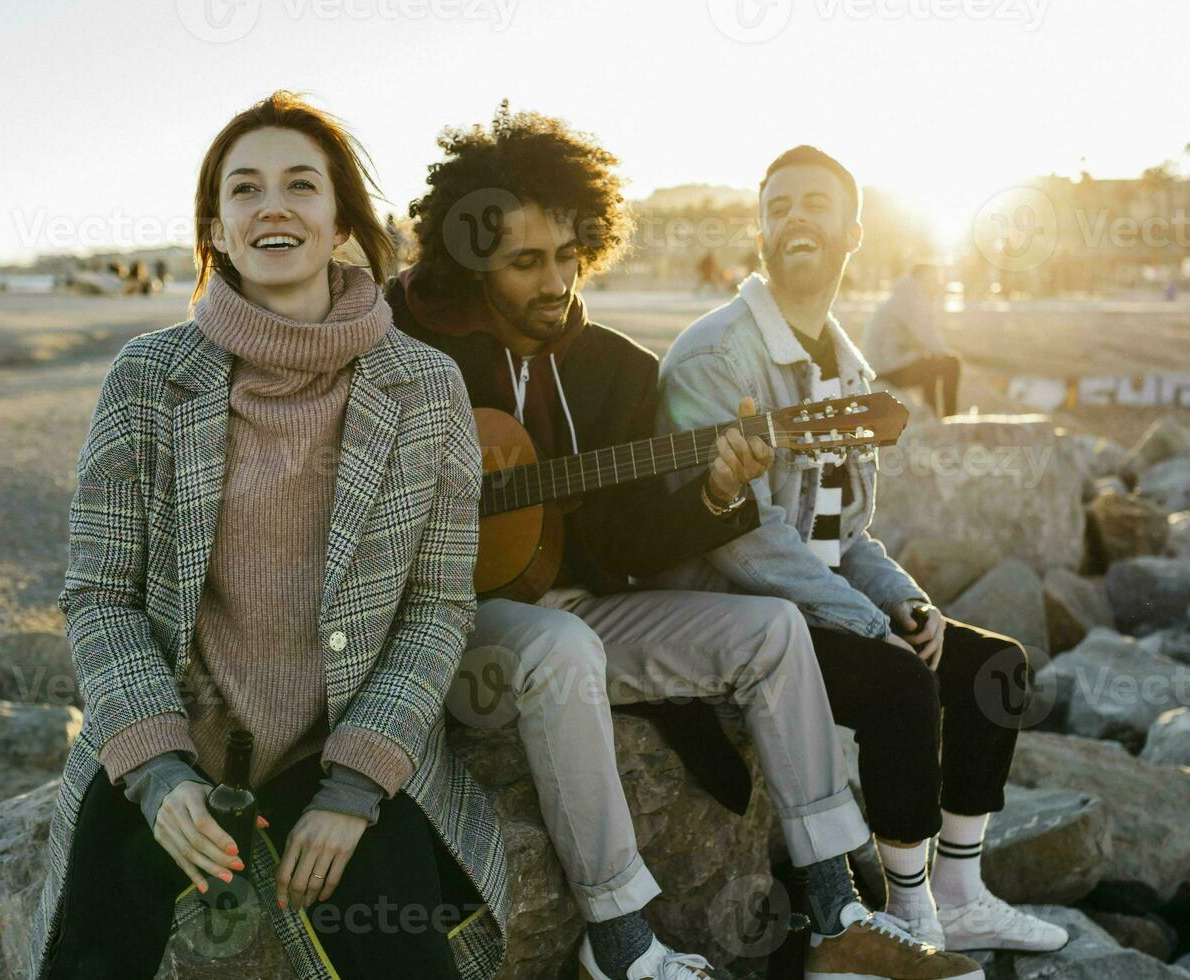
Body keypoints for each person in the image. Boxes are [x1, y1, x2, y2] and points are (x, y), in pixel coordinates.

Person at [391, 106, 977, 980]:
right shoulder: (409, 347)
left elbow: (629, 542)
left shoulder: (614, 368)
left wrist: (716, 486)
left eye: (568, 255)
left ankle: (835, 912)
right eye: (525, 263)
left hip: (577, 607)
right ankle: (621, 941)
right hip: (447, 628)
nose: (556, 283)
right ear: (473, 260)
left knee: (774, 629)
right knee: (561, 645)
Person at [28, 90, 507, 980]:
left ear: (341, 224)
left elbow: (439, 606)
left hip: (341, 744)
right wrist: (156, 771)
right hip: (172, 737)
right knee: (89, 958)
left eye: (301, 185)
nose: (272, 205)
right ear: (218, 226)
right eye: (244, 189)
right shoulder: (147, 377)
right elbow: (98, 594)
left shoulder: (425, 387)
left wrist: (358, 783)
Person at [650, 145, 1069, 968]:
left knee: (995, 668)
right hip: (735, 614)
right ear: (760, 230)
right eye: (778, 206)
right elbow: (742, 540)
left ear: (853, 232)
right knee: (899, 681)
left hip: (814, 596)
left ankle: (958, 892)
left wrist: (905, 600)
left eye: (815, 203)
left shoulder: (850, 367)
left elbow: (847, 534)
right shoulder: (716, 356)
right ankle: (909, 916)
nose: (795, 217)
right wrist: (865, 620)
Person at [862, 263, 960, 417]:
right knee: (950, 363)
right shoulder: (910, 298)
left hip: (885, 365)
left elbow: (922, 336)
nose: (937, 284)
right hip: (885, 369)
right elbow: (926, 335)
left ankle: (935, 415)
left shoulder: (905, 295)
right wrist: (944, 353)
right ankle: (945, 417)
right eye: (934, 279)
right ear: (921, 278)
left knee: (933, 362)